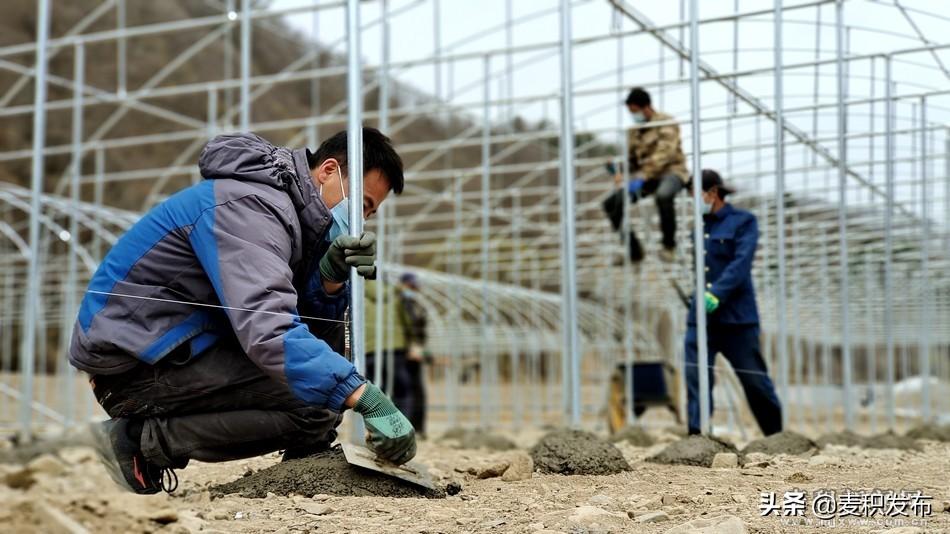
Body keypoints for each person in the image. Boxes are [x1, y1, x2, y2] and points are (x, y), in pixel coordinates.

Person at [69, 129, 416, 495]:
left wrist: (327, 283)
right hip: (133, 363)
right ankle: (139, 441)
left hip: (179, 349)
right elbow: (269, 330)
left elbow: (301, 325)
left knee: (318, 401)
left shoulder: (289, 218)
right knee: (315, 403)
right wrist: (368, 399)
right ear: (328, 170)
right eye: (362, 205)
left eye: (370, 214)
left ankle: (306, 458)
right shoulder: (251, 206)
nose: (362, 222)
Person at [683, 170, 783, 436]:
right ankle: (698, 435)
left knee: (754, 380)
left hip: (737, 319)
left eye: (694, 194)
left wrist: (717, 292)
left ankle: (776, 436)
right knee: (696, 377)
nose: (691, 201)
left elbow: (741, 264)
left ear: (712, 193)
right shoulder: (698, 227)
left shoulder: (743, 222)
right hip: (702, 318)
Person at [617, 87, 689, 262]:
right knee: (613, 203)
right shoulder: (634, 131)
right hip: (648, 179)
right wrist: (618, 169)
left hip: (672, 173)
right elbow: (632, 159)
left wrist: (644, 175)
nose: (633, 115)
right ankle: (634, 250)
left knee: (663, 196)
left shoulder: (665, 122)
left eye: (634, 111)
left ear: (646, 107)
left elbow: (666, 153)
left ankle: (669, 246)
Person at [363, 272, 429, 438]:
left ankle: (380, 433)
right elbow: (409, 321)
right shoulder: (397, 294)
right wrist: (414, 344)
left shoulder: (357, 293)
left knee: (375, 394)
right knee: (402, 391)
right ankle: (402, 434)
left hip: (368, 350)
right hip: (395, 350)